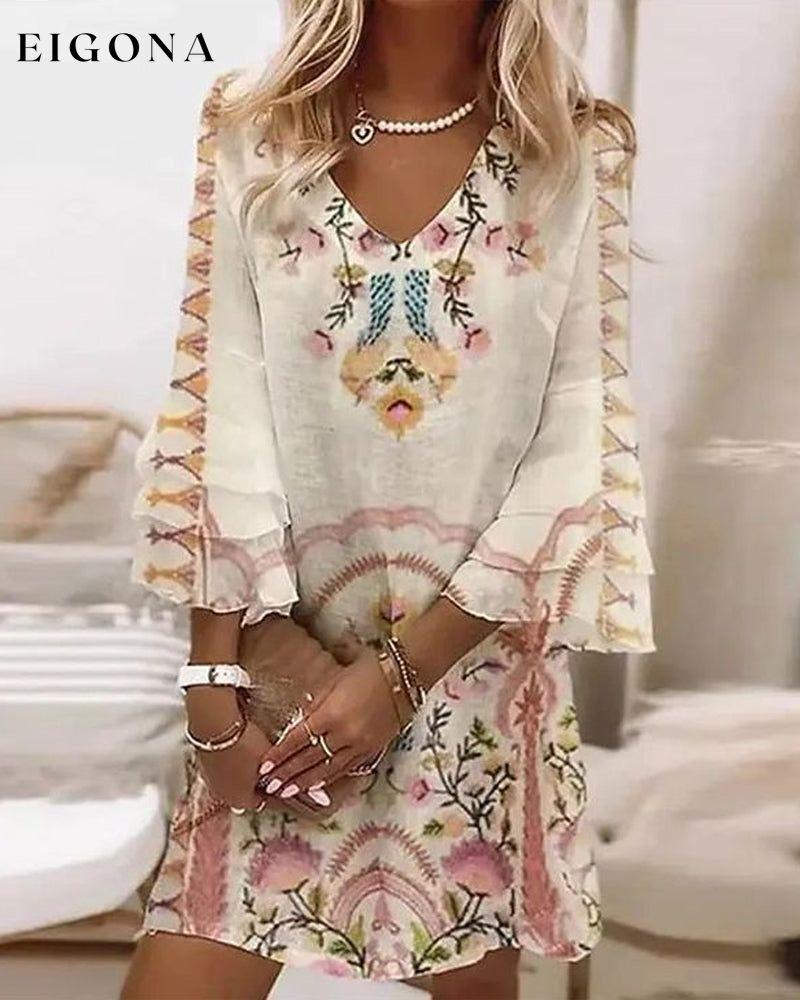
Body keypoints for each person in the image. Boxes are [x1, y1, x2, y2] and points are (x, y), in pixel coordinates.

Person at [121, 1, 654, 997]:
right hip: (282, 678)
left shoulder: (574, 147)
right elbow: (216, 406)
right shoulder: (252, 127)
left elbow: (574, 442)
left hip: (472, 679)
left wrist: (406, 674)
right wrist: (212, 683)